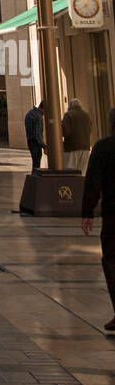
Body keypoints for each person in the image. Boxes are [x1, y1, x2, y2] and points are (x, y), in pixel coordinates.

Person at [81, 107, 115, 332]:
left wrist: (87, 211)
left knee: (112, 262)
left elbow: (93, 182)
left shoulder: (103, 147)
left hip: (113, 216)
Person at [62, 98, 93, 173]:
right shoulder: (87, 115)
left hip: (72, 147)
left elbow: (64, 132)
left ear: (70, 105)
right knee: (82, 171)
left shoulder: (68, 115)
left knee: (70, 171)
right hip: (85, 147)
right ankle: (81, 185)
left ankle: (73, 185)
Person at [24, 100, 46, 170]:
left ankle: (34, 177)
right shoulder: (38, 116)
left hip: (30, 140)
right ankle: (36, 177)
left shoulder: (30, 113)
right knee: (36, 162)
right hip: (35, 142)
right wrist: (44, 146)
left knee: (35, 162)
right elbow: (37, 133)